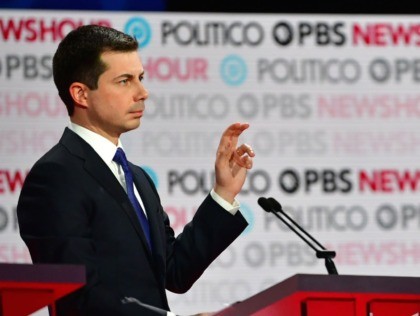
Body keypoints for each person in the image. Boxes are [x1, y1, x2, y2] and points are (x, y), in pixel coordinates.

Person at [16, 25, 255, 316]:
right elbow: (78, 296)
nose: (143, 92)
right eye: (124, 81)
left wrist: (223, 193)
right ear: (81, 94)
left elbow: (174, 272)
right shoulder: (55, 177)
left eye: (140, 78)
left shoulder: (137, 178)